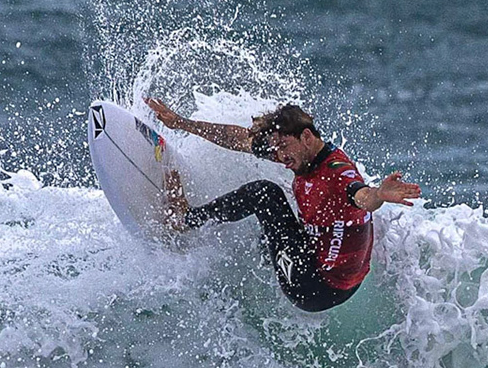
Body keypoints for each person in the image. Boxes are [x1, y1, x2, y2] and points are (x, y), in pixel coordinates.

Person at [142, 98, 421, 312]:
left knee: (265, 194)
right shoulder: (300, 154)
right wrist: (181, 123)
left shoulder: (337, 173)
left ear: (306, 137)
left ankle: (184, 219)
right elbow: (239, 140)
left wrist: (379, 194)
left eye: (284, 146)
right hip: (341, 276)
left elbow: (362, 197)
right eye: (276, 148)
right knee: (268, 230)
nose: (280, 155)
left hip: (314, 288)